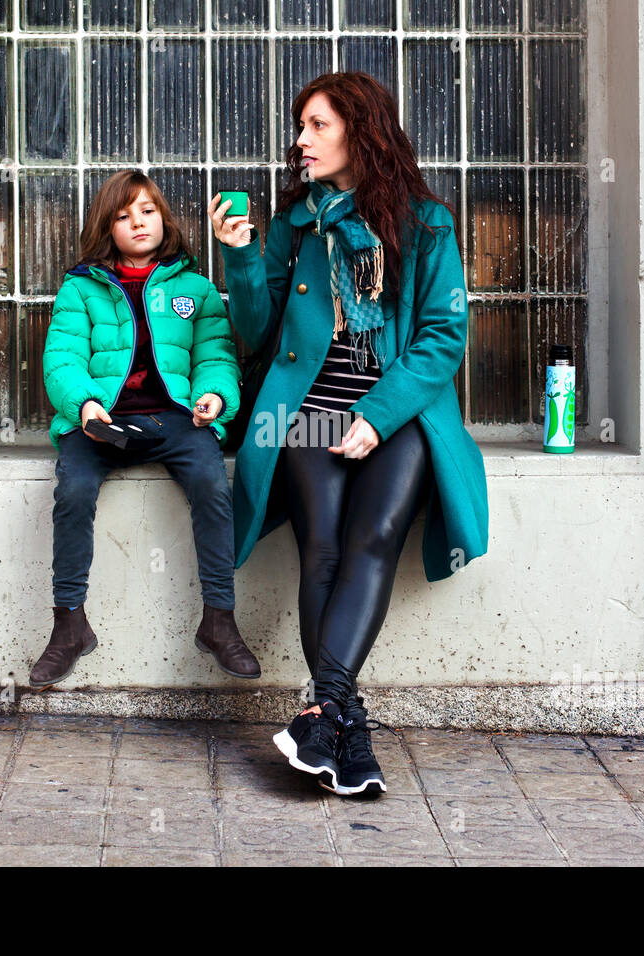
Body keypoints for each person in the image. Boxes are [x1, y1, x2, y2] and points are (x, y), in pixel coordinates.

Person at [209, 72, 490, 796]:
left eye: (317, 126)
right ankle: (339, 720)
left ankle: (324, 713)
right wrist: (240, 257)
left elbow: (441, 336)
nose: (299, 141)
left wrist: (376, 418)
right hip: (303, 411)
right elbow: (257, 332)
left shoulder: (425, 224)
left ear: (360, 133)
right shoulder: (294, 225)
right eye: (299, 127)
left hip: (397, 413)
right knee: (324, 548)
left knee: (372, 542)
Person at [33, 169, 260, 690]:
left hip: (175, 419)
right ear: (106, 228)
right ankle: (69, 625)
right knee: (73, 490)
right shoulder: (81, 289)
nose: (137, 222)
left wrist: (215, 399)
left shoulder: (195, 288)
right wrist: (85, 405)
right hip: (103, 421)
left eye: (147, 211)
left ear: (164, 218)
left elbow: (216, 356)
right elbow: (62, 359)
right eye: (122, 215)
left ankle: (219, 621)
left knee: (211, 486)